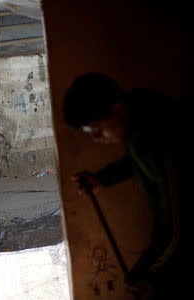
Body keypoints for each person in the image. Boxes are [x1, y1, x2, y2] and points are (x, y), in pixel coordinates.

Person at [64, 73, 186, 299]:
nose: (98, 138)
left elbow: (177, 224)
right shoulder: (139, 122)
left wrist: (147, 273)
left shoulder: (158, 137)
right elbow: (138, 161)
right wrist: (103, 178)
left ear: (117, 111)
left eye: (97, 129)